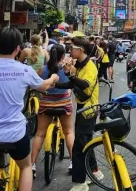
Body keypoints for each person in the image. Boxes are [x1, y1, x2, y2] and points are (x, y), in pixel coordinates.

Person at [0, 27, 59, 191]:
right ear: (17, 49)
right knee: (26, 167)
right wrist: (53, 77)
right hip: (14, 133)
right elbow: (44, 86)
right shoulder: (24, 70)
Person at [53, 36, 102, 191]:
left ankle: (80, 183)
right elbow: (73, 84)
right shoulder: (81, 65)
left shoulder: (90, 67)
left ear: (80, 50)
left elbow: (84, 84)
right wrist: (54, 84)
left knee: (78, 147)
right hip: (83, 109)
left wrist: (71, 74)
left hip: (88, 110)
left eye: (72, 48)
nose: (70, 51)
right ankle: (96, 171)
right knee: (86, 142)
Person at [31, 44, 75, 177]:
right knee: (68, 132)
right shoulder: (69, 69)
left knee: (39, 134)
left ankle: (32, 164)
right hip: (64, 104)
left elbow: (36, 85)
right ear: (63, 56)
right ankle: (73, 162)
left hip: (46, 104)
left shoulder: (42, 69)